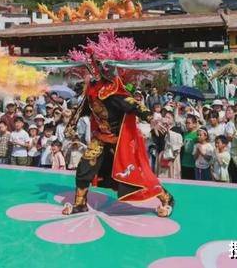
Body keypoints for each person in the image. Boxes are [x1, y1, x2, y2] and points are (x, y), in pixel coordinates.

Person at [61, 49, 174, 217]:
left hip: (119, 141)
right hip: (100, 139)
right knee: (84, 168)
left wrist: (151, 118)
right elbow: (84, 107)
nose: (95, 67)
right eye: (94, 63)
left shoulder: (112, 89)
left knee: (136, 174)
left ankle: (166, 198)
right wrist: (71, 123)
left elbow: (133, 104)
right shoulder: (91, 87)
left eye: (98, 64)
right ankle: (80, 204)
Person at [180, 114, 199, 180]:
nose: (187, 124)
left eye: (189, 123)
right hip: (184, 163)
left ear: (195, 124)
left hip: (194, 164)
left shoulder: (198, 135)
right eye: (186, 123)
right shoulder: (184, 134)